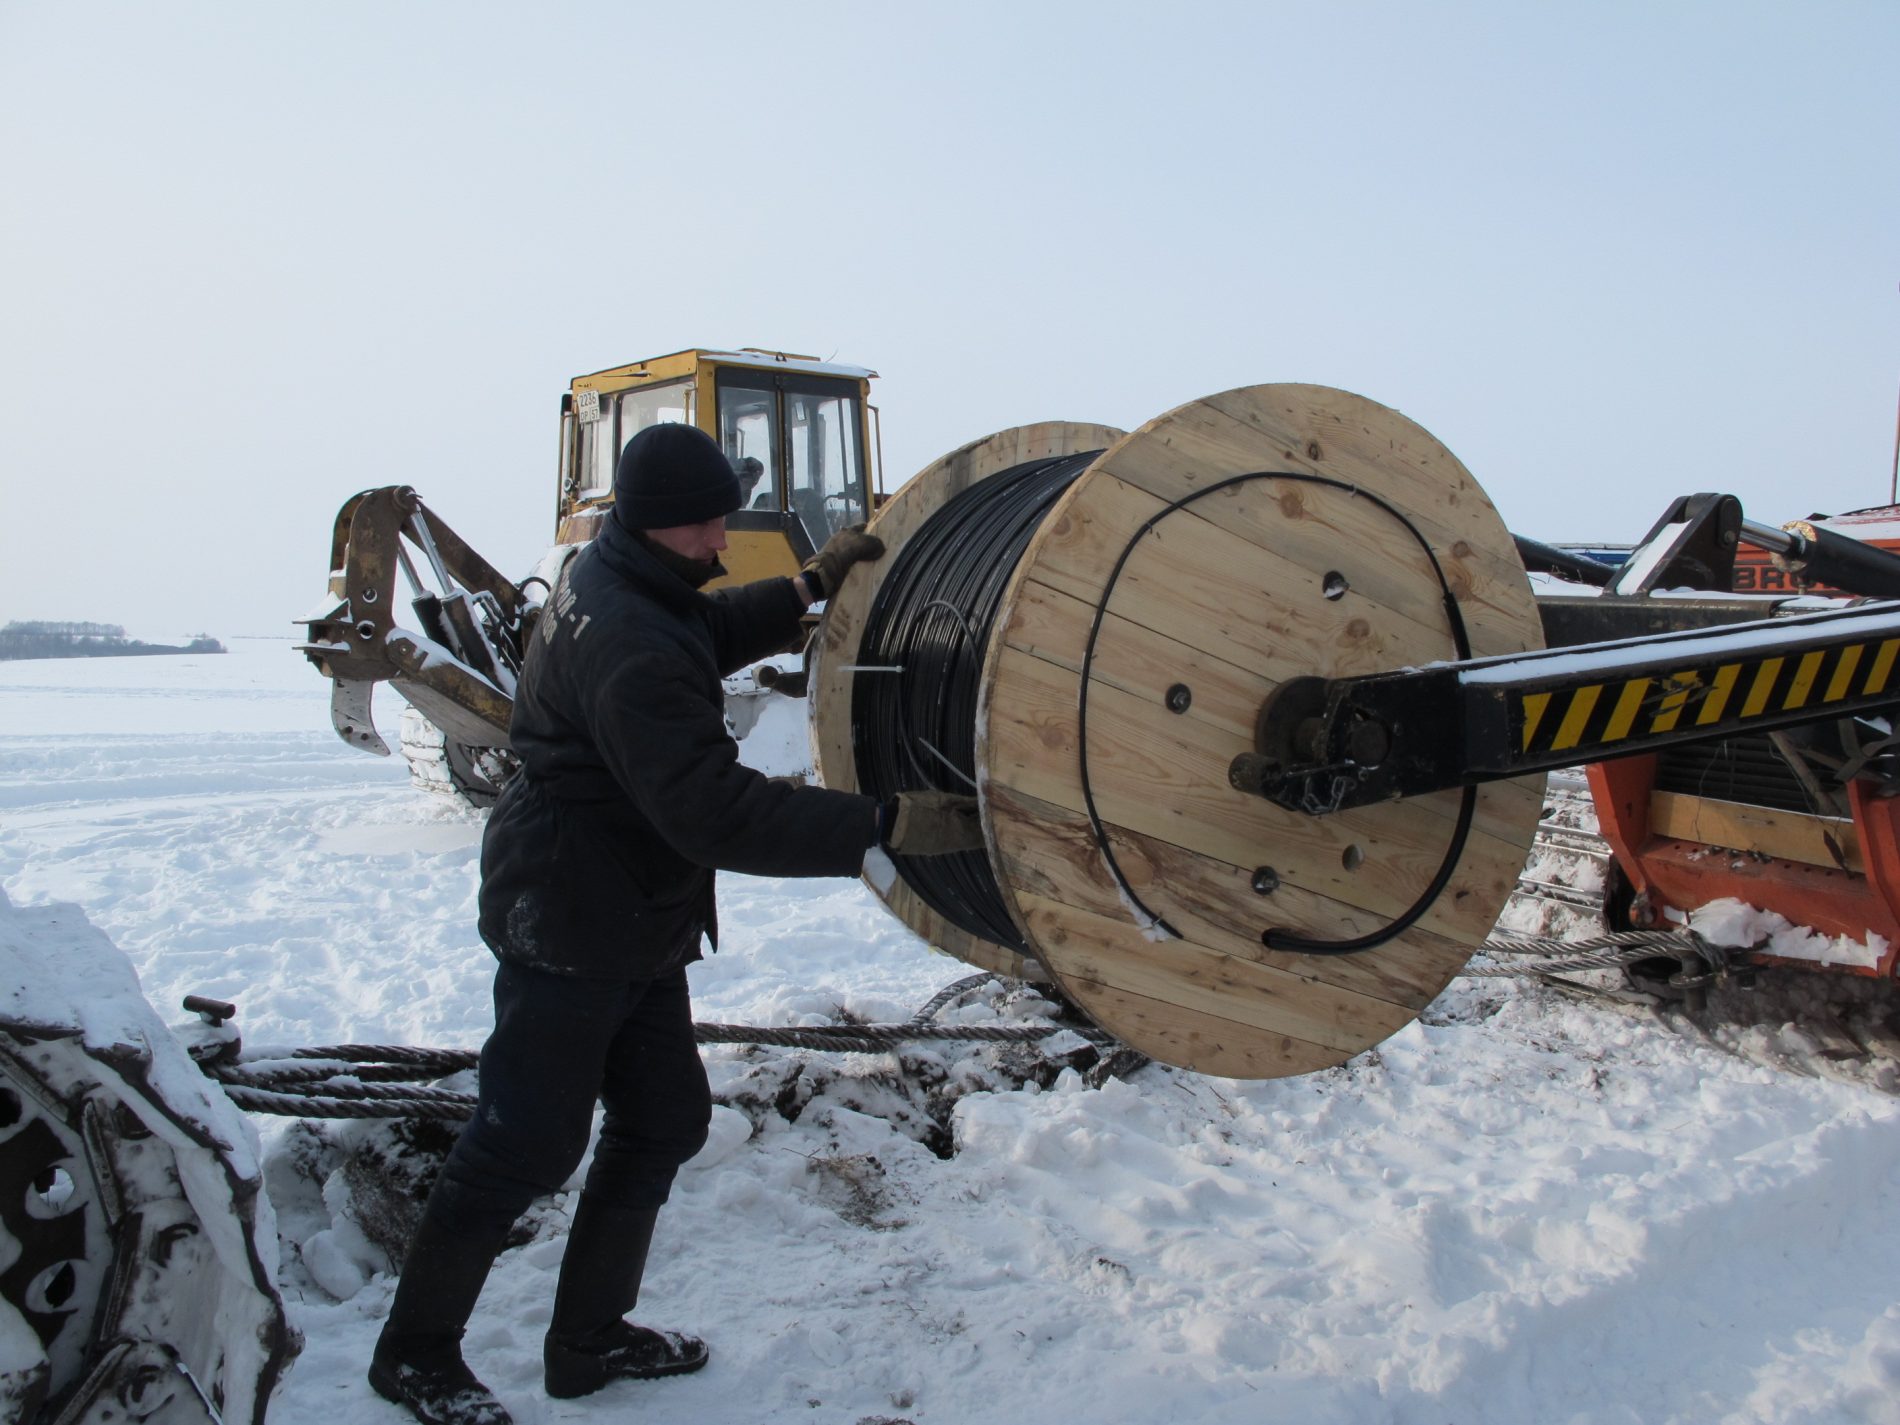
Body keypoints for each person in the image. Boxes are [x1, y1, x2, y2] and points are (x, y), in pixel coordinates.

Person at [368, 422, 983, 1425]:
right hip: (568, 911)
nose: (722, 544)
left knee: (663, 1121)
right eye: (710, 529)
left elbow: (691, 624)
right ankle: (414, 1353)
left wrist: (800, 591)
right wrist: (887, 823)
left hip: (629, 905)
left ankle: (587, 1339)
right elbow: (714, 808)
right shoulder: (630, 645)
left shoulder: (614, 572)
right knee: (521, 1143)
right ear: (662, 526)